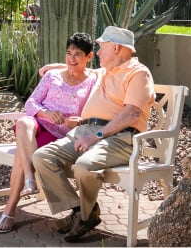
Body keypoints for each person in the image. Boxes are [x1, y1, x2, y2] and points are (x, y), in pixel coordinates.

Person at [31, 26, 155, 242]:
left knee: (84, 166)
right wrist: (57, 67)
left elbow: (132, 113)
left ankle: (85, 215)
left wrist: (97, 135)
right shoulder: (106, 70)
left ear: (116, 48)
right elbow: (84, 68)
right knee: (42, 157)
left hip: (119, 137)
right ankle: (81, 211)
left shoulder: (138, 73)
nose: (97, 53)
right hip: (84, 130)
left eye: (101, 48)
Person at [0, 32, 100, 234]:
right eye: (68, 53)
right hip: (39, 125)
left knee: (20, 158)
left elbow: (97, 101)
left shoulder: (93, 80)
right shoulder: (52, 76)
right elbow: (31, 102)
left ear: (89, 57)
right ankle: (30, 179)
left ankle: (9, 210)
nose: (71, 59)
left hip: (64, 136)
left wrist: (80, 120)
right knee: (24, 122)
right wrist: (45, 112)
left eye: (78, 54)